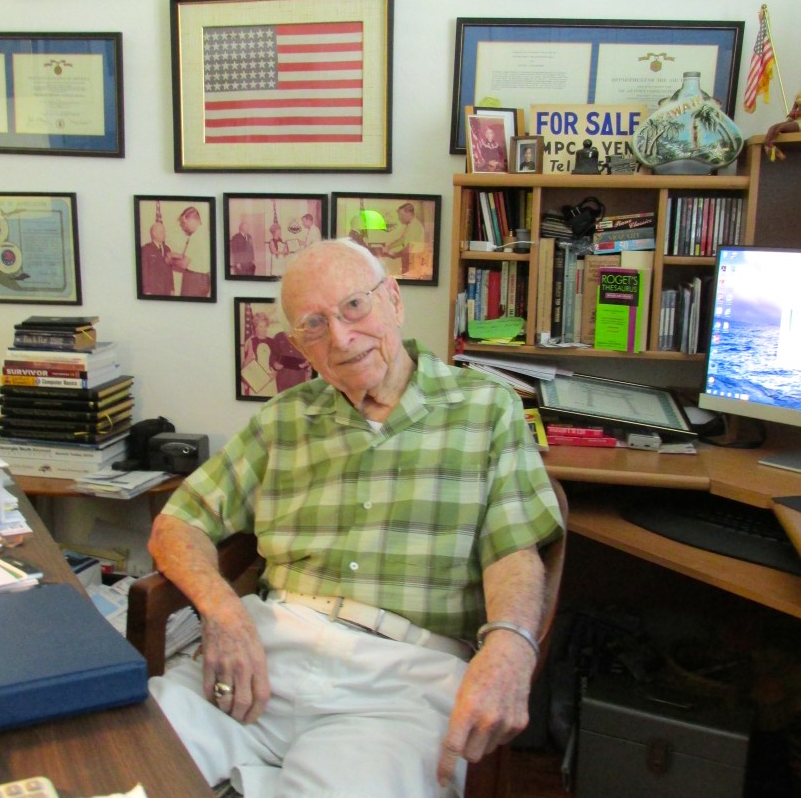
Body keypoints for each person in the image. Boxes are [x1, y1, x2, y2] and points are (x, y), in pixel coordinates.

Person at [148, 238, 563, 797]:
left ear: (393, 299)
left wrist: (511, 646)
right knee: (129, 760)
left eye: (354, 307)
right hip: (267, 653)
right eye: (314, 325)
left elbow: (513, 549)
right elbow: (179, 521)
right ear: (299, 344)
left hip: (403, 682)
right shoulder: (284, 420)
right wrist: (223, 611)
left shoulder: (485, 407)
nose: (341, 337)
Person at [383, 201, 427, 277]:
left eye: (401, 215)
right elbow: (402, 239)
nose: (399, 217)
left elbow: (409, 248)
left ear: (409, 213)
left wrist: (396, 254)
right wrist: (389, 247)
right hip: (409, 260)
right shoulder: (410, 225)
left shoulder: (415, 226)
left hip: (414, 263)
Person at [175, 206, 211, 297]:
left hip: (194, 280)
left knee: (187, 308)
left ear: (192, 220)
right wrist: (176, 255)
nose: (184, 227)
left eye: (184, 223)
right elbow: (196, 256)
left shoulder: (195, 237)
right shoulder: (206, 233)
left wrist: (170, 261)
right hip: (205, 279)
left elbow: (184, 264)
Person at [140, 220, 175, 296]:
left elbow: (170, 271)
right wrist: (147, 290)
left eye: (164, 232)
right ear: (154, 233)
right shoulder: (146, 249)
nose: (164, 234)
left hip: (166, 290)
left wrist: (172, 288)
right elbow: (144, 272)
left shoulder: (167, 249)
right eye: (161, 232)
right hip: (153, 290)